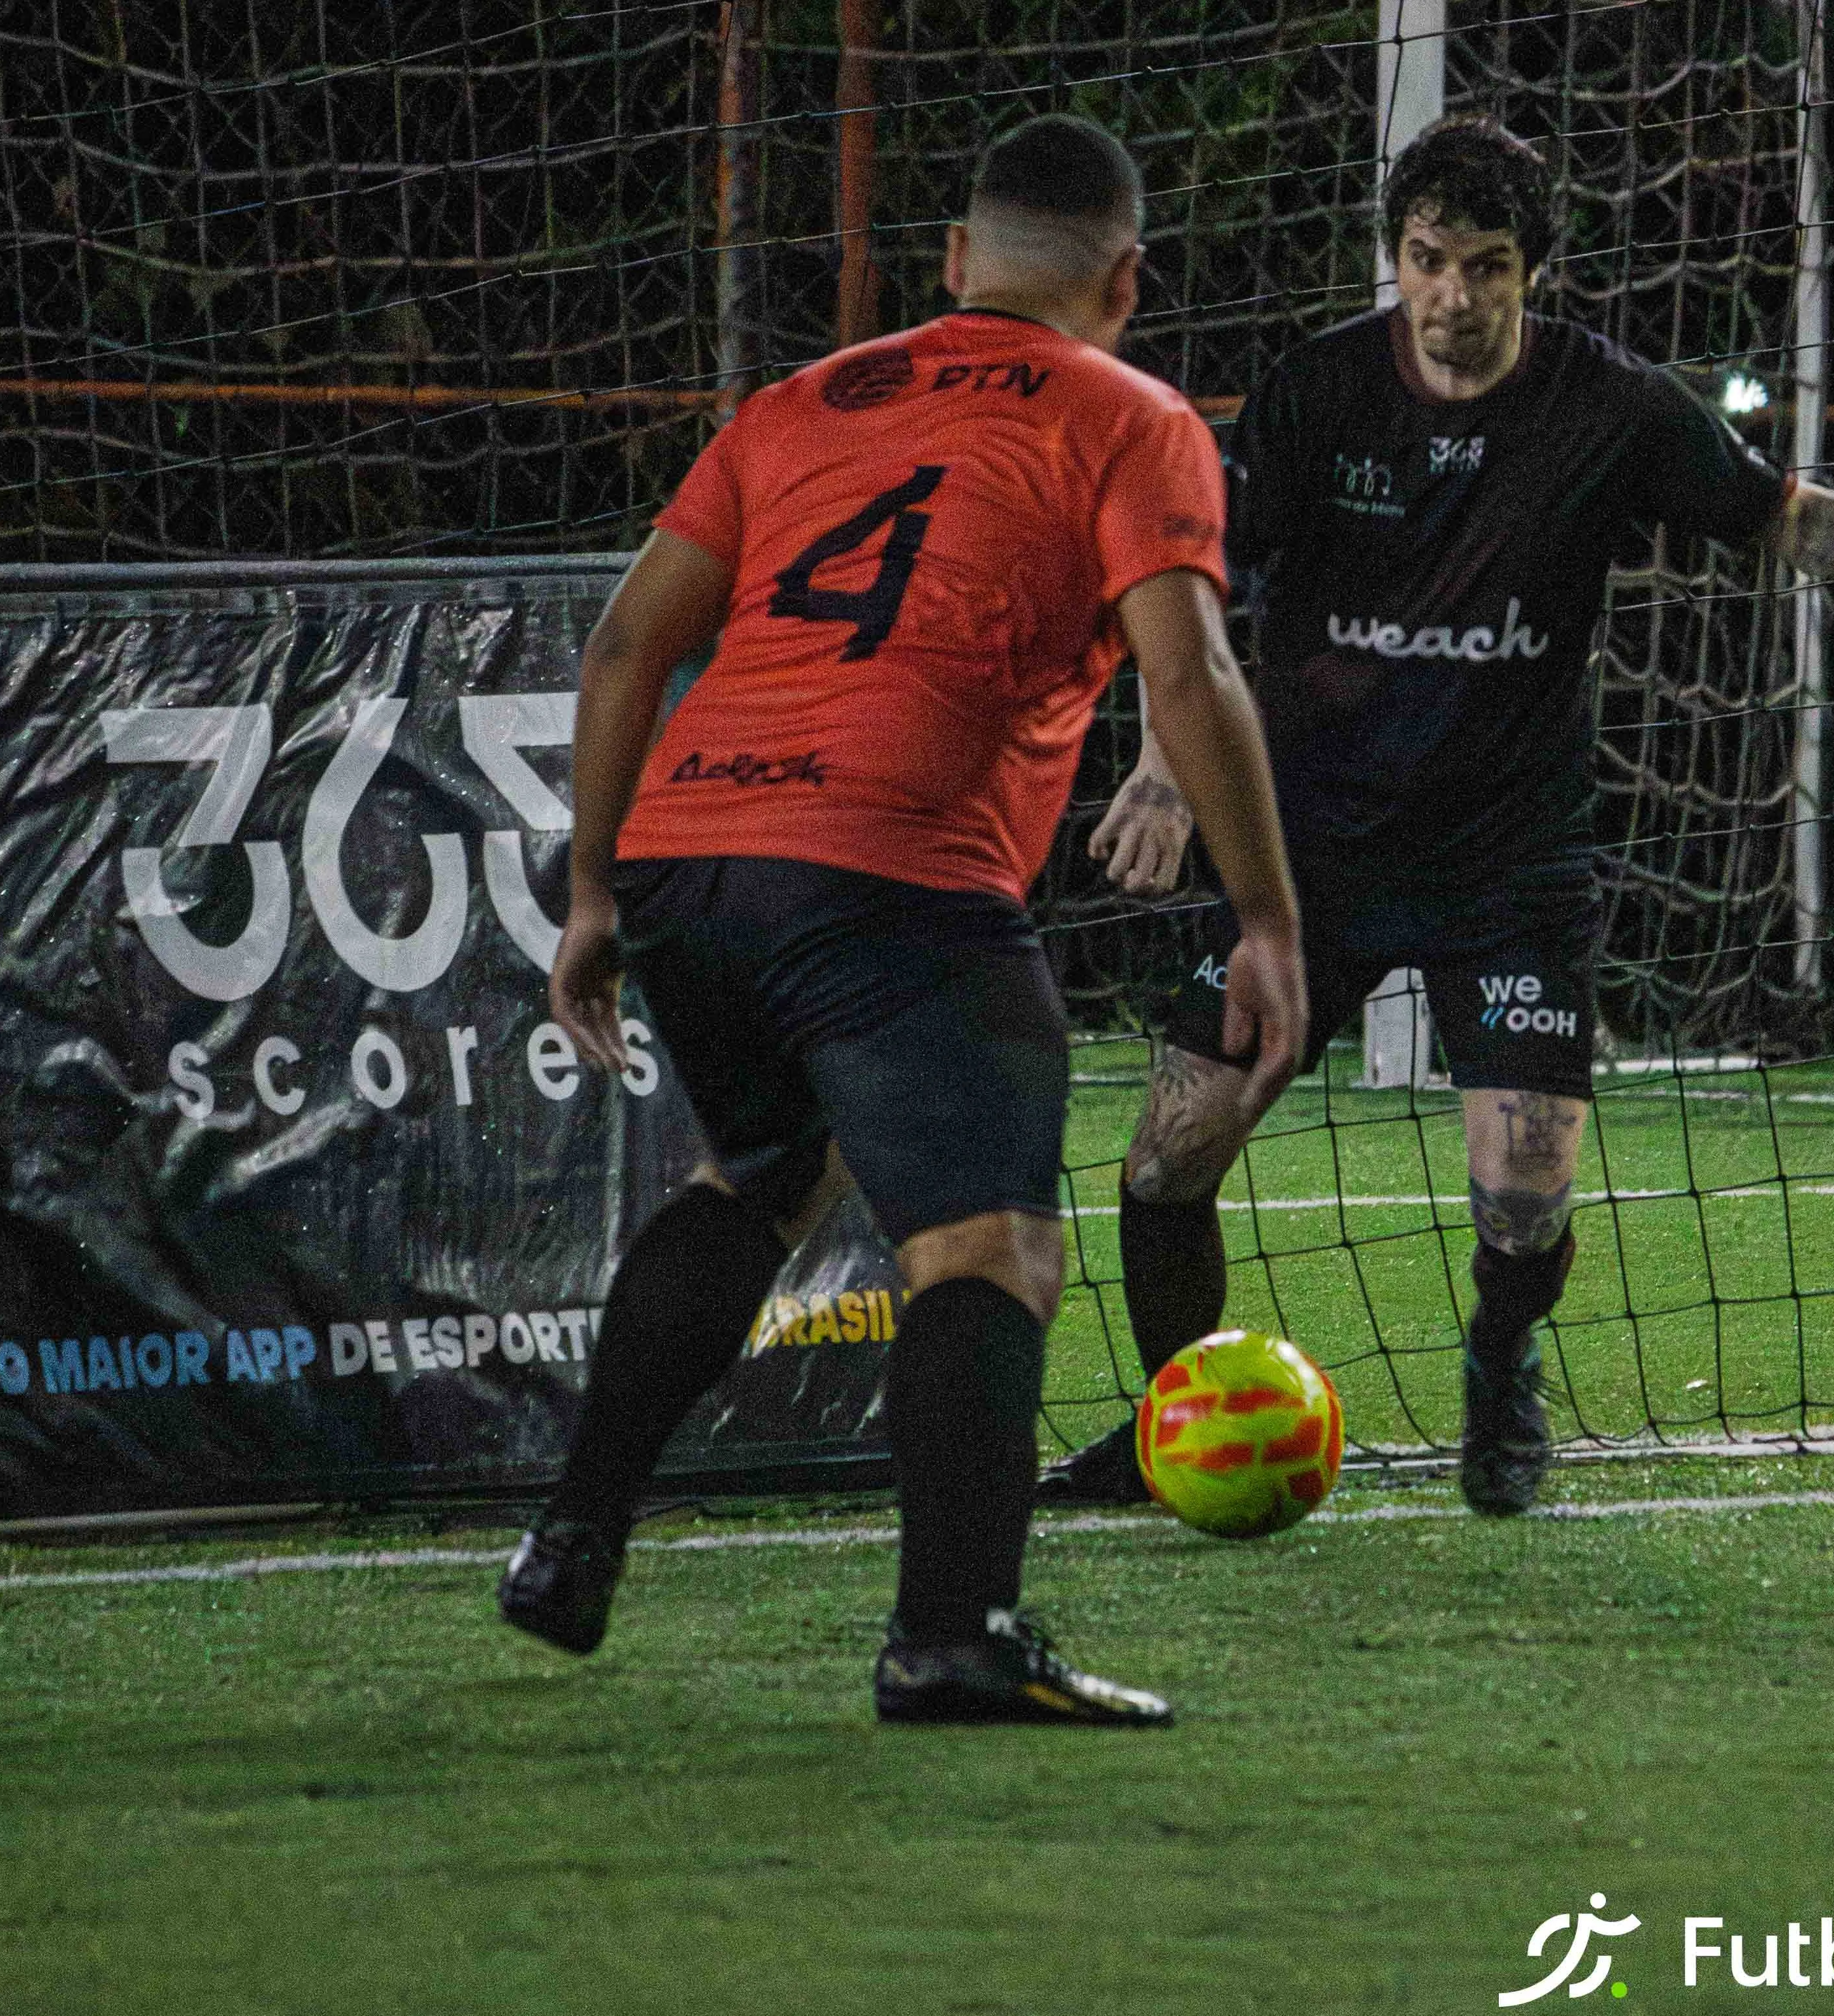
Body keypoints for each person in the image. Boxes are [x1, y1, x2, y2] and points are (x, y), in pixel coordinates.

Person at [1048, 119, 1834, 1517]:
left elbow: (1780, 520)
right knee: (1169, 1148)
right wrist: (1170, 769)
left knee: (1523, 1198)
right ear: (1394, 259)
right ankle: (1176, 1420)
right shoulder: (1312, 395)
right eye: (1427, 261)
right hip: (1311, 857)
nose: (1452, 297)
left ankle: (1500, 1356)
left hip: (1508, 858)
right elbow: (1197, 591)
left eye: (1486, 266)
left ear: (1531, 272)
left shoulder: (1609, 406)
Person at [495, 114, 1307, 1728]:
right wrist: (1267, 914)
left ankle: (569, 1538)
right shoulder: (1133, 417)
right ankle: (952, 1632)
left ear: (950, 265)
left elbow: (621, 649)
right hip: (888, 861)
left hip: (690, 855)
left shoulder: (799, 402)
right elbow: (1189, 669)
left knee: (762, 1179)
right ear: (1126, 280)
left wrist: (593, 887)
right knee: (987, 1244)